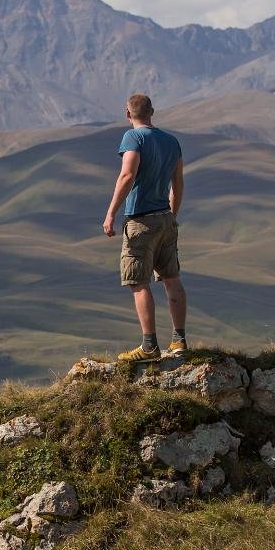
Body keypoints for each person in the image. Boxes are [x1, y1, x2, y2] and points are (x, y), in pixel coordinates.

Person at [102, 93, 187, 361]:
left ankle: (149, 345)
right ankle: (179, 340)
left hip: (140, 219)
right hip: (165, 217)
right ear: (153, 111)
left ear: (127, 114)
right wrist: (171, 215)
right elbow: (178, 183)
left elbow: (127, 175)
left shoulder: (133, 138)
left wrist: (110, 213)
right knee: (171, 279)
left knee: (139, 282)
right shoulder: (172, 141)